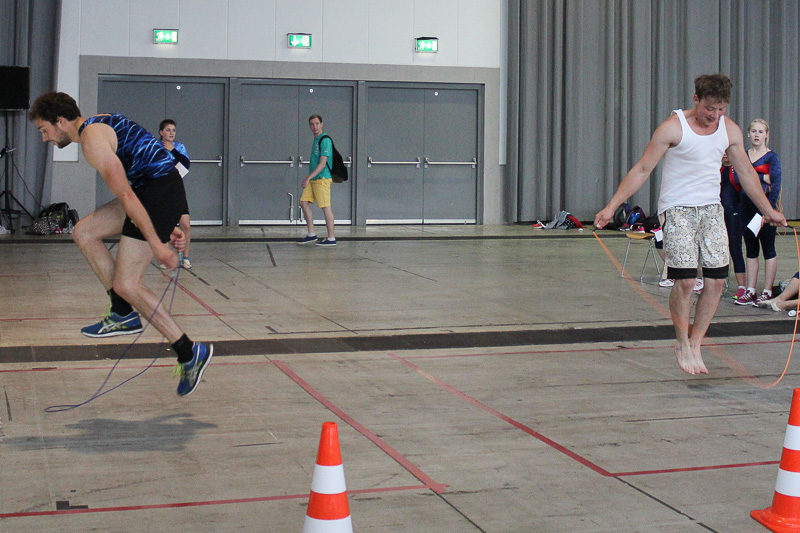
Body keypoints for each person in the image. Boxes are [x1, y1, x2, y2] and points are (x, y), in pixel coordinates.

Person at [594, 73, 786, 375]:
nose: (714, 115)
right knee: (684, 281)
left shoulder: (729, 129)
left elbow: (747, 173)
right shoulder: (673, 128)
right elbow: (642, 169)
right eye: (709, 108)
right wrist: (611, 206)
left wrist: (768, 210)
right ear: (696, 99)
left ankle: (696, 342)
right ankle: (682, 342)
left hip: (711, 208)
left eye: (721, 109)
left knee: (717, 281)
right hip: (677, 208)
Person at [29, 92, 212, 396]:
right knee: (83, 232)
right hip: (154, 191)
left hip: (155, 193)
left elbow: (126, 195)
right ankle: (122, 312)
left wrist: (157, 243)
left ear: (60, 121)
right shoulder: (98, 123)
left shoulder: (92, 141)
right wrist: (168, 222)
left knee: (127, 284)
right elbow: (146, 170)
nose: (44, 137)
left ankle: (189, 352)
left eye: (43, 130)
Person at [733, 118, 782, 306]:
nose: (757, 135)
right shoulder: (744, 155)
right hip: (745, 208)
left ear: (766, 135)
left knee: (768, 249)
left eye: (761, 132)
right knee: (751, 249)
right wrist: (762, 176)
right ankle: (751, 290)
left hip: (765, 210)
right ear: (748, 134)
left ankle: (767, 291)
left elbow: (775, 185)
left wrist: (767, 211)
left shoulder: (772, 157)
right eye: (754, 131)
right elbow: (737, 177)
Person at [296, 114, 336, 246]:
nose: (315, 127)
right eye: (312, 124)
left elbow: (322, 164)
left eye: (317, 124)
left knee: (326, 207)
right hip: (314, 178)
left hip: (322, 178)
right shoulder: (316, 139)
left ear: (322, 124)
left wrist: (308, 177)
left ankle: (331, 238)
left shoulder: (325, 140)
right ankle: (311, 234)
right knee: (304, 202)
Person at [158, 119, 192, 270]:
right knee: (166, 224)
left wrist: (173, 150)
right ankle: (165, 257)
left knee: (185, 224)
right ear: (161, 132)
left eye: (173, 130)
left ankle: (186, 257)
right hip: (161, 188)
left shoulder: (179, 147)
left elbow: (185, 164)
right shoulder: (155, 147)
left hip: (177, 188)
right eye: (168, 130)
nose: (171, 133)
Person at [720, 152, 746, 299]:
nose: (724, 154)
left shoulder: (737, 170)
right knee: (718, 250)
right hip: (719, 215)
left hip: (734, 215)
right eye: (722, 151)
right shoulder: (717, 169)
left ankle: (742, 287)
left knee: (735, 249)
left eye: (727, 151)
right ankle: (717, 283)